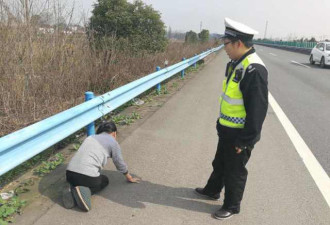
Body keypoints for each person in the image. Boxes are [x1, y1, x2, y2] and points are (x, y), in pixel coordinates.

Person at [195, 18, 268, 220]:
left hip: (240, 134)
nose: (224, 47)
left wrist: (246, 141)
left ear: (238, 43)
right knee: (220, 163)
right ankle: (212, 190)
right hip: (227, 128)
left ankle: (232, 206)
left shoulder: (254, 69)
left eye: (226, 43)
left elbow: (258, 110)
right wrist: (221, 123)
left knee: (234, 171)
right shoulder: (237, 63)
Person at [62, 121, 140, 212]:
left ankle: (71, 188)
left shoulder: (90, 137)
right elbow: (119, 162)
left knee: (83, 179)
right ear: (114, 133)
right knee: (104, 180)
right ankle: (81, 195)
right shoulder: (113, 142)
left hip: (69, 173)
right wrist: (128, 176)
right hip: (87, 177)